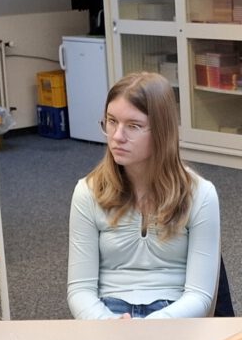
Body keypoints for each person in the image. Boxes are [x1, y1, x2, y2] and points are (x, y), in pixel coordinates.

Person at [67, 71, 220, 319]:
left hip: (174, 313)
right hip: (108, 312)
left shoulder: (201, 195)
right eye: (112, 121)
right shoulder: (88, 191)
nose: (117, 136)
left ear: (161, 131)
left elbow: (200, 295)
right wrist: (107, 323)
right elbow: (80, 289)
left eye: (133, 126)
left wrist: (152, 325)